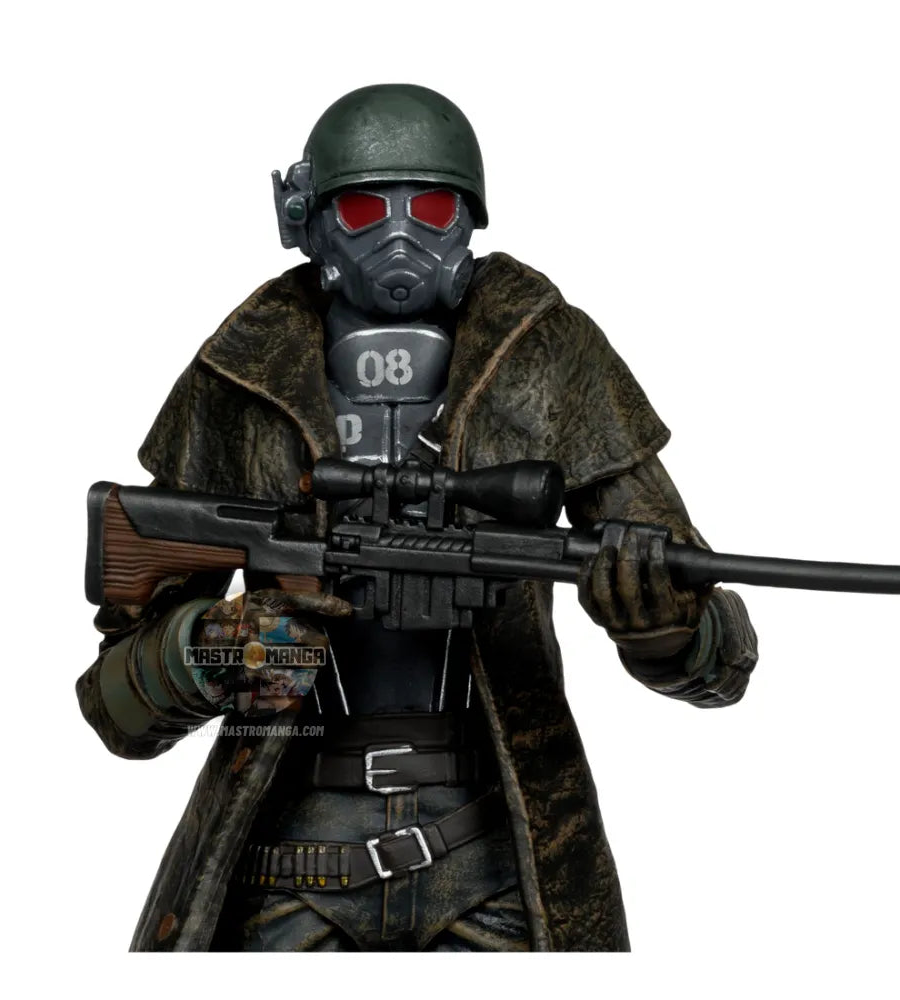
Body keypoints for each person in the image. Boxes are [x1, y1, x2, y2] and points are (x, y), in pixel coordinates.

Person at [77, 83, 759, 952]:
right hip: (287, 851)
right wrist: (220, 646)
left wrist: (664, 627)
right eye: (365, 210)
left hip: (494, 845)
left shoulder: (546, 353)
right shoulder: (243, 375)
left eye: (433, 209)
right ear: (307, 219)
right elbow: (117, 707)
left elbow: (719, 657)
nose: (401, 236)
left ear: (470, 219)